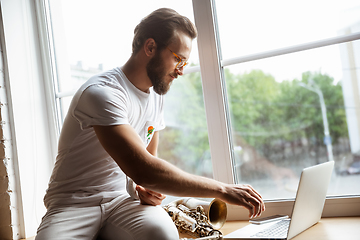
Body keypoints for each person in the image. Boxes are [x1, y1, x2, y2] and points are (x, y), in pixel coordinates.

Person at [35, 8, 265, 240]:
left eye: (185, 62)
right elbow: (144, 169)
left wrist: (144, 189)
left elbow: (148, 164)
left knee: (163, 234)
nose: (181, 71)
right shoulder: (101, 94)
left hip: (120, 201)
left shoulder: (156, 97)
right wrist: (223, 190)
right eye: (178, 59)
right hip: (73, 204)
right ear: (150, 47)